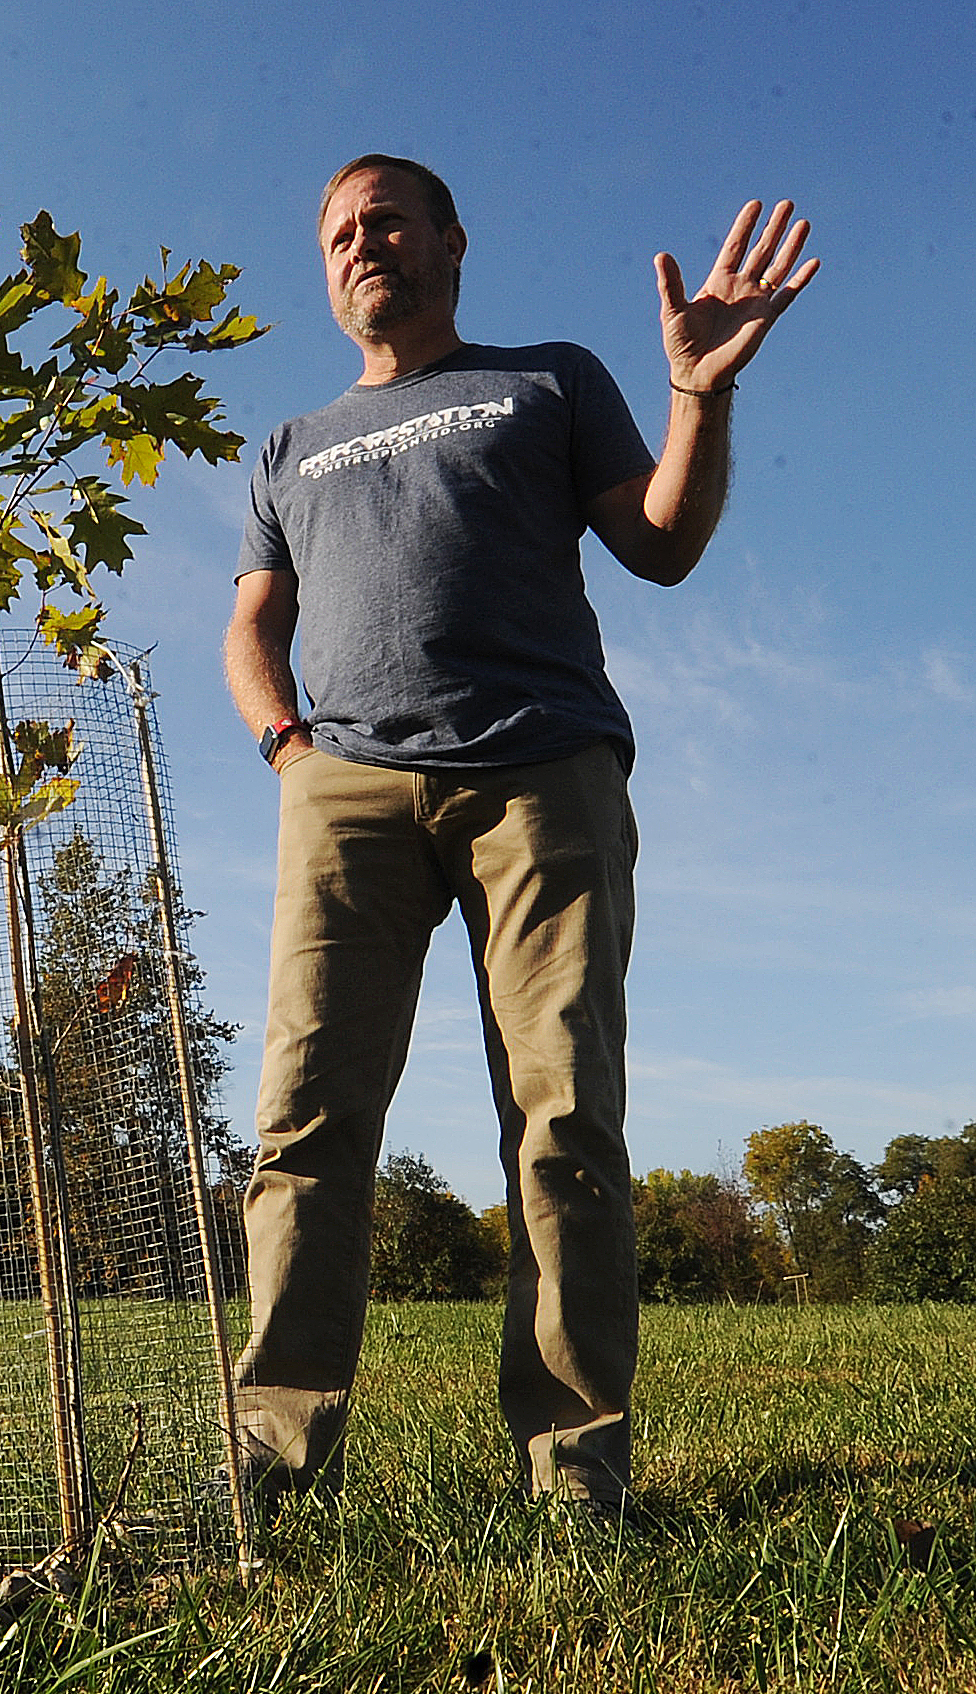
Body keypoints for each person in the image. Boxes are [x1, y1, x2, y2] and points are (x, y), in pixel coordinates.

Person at [223, 155, 817, 1512]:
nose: (360, 244)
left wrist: (696, 392)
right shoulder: (287, 445)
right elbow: (251, 624)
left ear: (449, 241)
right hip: (345, 785)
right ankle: (267, 1469)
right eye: (336, 233)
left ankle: (571, 1474)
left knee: (559, 1118)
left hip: (539, 770)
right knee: (303, 1121)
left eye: (385, 220)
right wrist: (286, 746)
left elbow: (660, 544)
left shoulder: (545, 380)